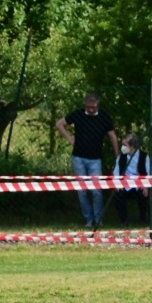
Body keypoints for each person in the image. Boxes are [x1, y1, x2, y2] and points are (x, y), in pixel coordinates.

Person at [55, 93, 120, 228]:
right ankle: (89, 220)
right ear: (85, 104)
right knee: (82, 190)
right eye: (88, 107)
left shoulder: (104, 116)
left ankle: (98, 219)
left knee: (96, 190)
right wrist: (70, 139)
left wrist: (117, 155)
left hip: (95, 159)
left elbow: (112, 136)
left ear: (98, 105)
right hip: (78, 158)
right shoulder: (78, 114)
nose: (91, 110)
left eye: (93, 107)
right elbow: (59, 124)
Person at [112, 133, 152, 227]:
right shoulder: (121, 157)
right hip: (125, 184)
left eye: (125, 145)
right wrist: (117, 184)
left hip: (139, 184)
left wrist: (146, 186)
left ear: (132, 146)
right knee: (117, 195)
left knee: (144, 194)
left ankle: (143, 219)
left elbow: (149, 174)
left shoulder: (144, 156)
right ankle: (123, 220)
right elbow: (116, 173)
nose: (122, 147)